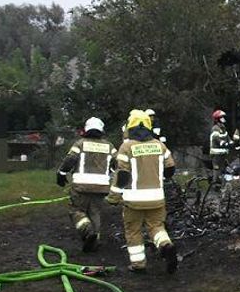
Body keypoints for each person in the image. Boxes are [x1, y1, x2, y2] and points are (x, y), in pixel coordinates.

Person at [113, 109, 177, 272]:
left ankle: (138, 264)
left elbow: (122, 175)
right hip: (156, 198)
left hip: (133, 201)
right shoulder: (159, 145)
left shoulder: (126, 147)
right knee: (156, 227)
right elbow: (170, 168)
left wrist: (114, 196)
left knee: (133, 231)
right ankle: (165, 245)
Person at [56, 117, 115, 252]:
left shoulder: (80, 144)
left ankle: (88, 231)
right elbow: (116, 163)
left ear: (86, 129)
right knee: (95, 212)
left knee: (76, 210)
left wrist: (61, 173)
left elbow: (70, 159)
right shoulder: (109, 146)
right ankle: (95, 239)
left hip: (81, 187)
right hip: (101, 187)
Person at [209, 109, 237, 182]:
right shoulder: (215, 128)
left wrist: (232, 143)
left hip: (223, 153)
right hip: (216, 154)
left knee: (224, 168)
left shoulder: (223, 128)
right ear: (218, 119)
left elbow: (227, 137)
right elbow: (217, 139)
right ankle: (215, 182)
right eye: (222, 117)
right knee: (217, 168)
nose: (223, 119)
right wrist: (225, 144)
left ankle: (223, 183)